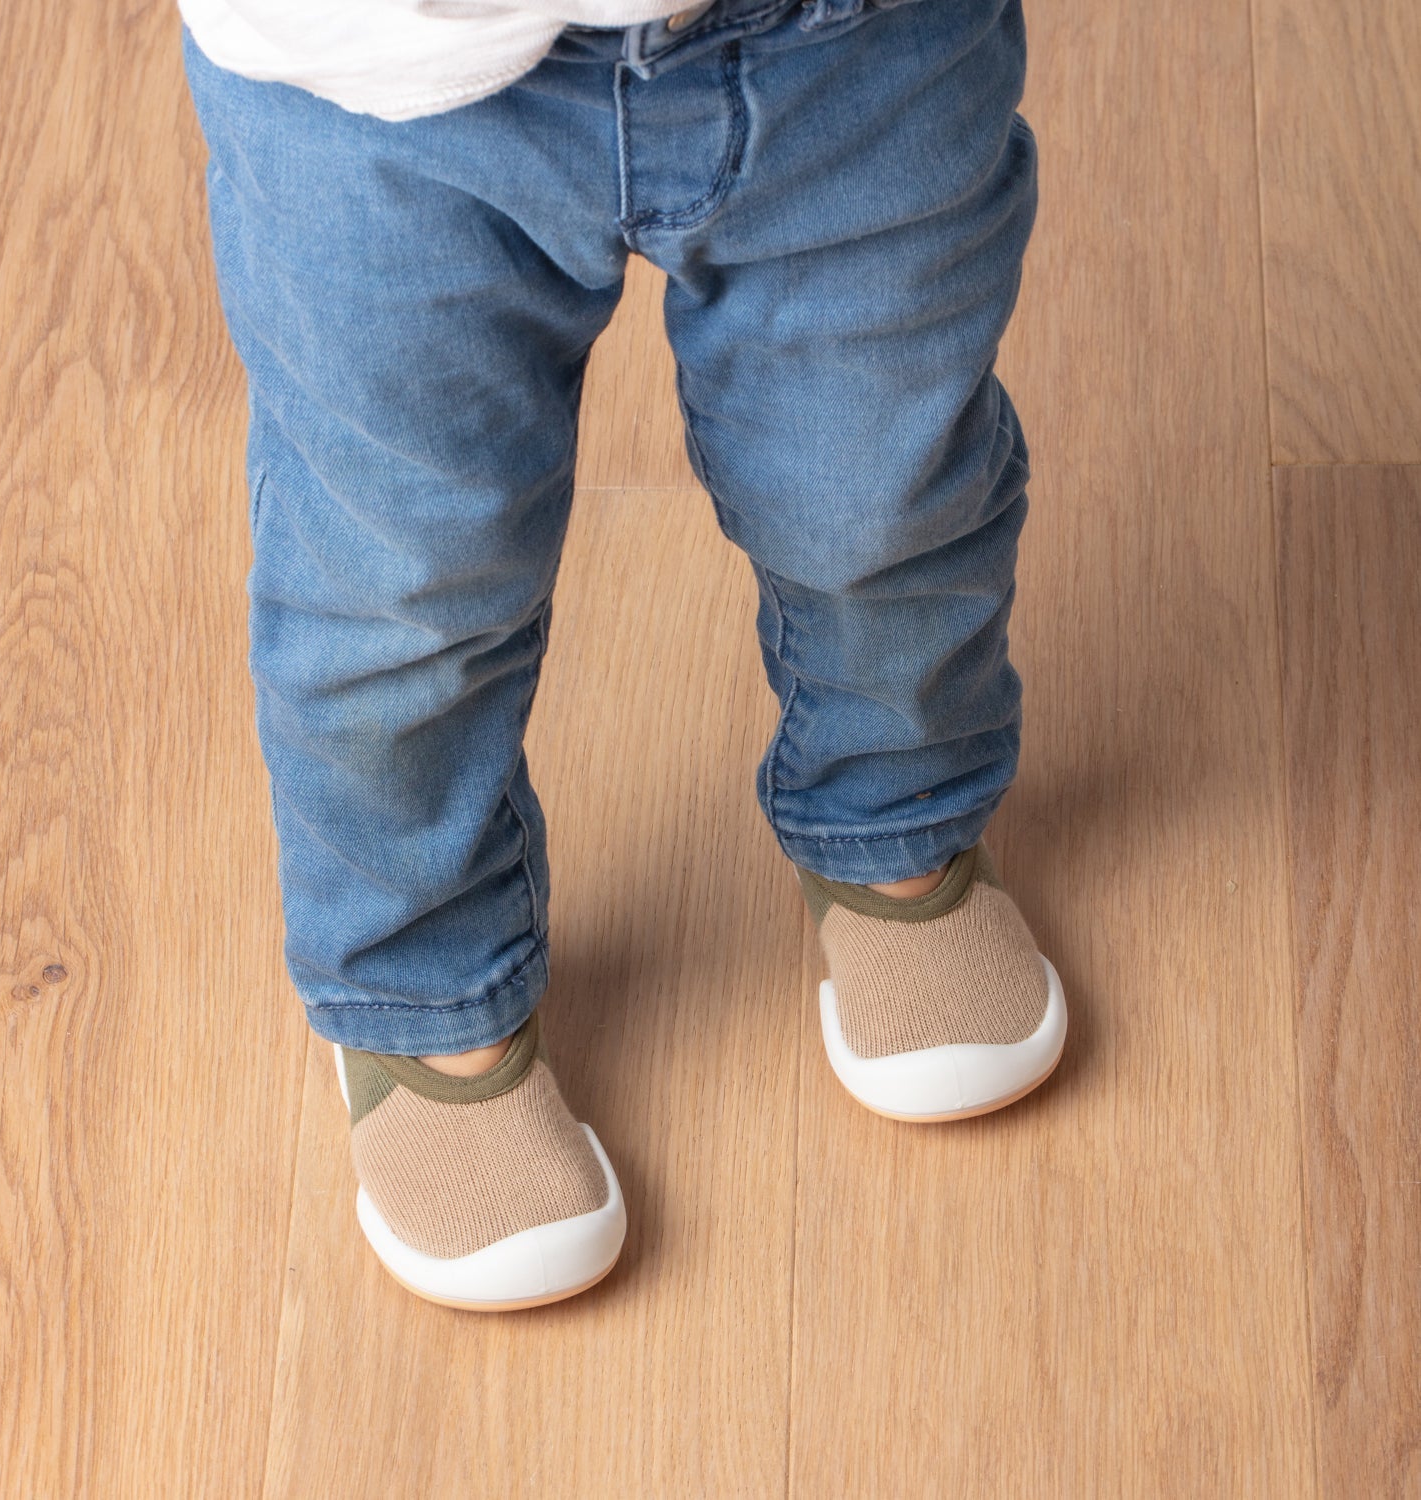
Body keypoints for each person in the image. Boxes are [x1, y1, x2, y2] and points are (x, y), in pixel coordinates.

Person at [178, 0, 1068, 1312]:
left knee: (881, 483)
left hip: (863, 42)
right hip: (376, 76)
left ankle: (898, 821)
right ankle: (423, 980)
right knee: (400, 582)